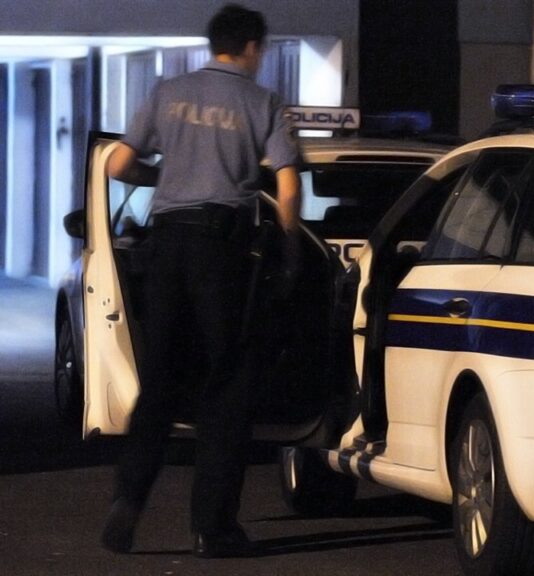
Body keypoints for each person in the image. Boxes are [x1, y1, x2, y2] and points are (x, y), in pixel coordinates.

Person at [100, 3, 302, 558]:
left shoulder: (168, 92)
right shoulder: (262, 102)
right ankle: (213, 529)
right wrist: (288, 251)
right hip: (223, 250)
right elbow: (287, 187)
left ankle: (128, 499)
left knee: (161, 380)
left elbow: (117, 166)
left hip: (167, 247)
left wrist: (163, 175)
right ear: (252, 48)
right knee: (226, 385)